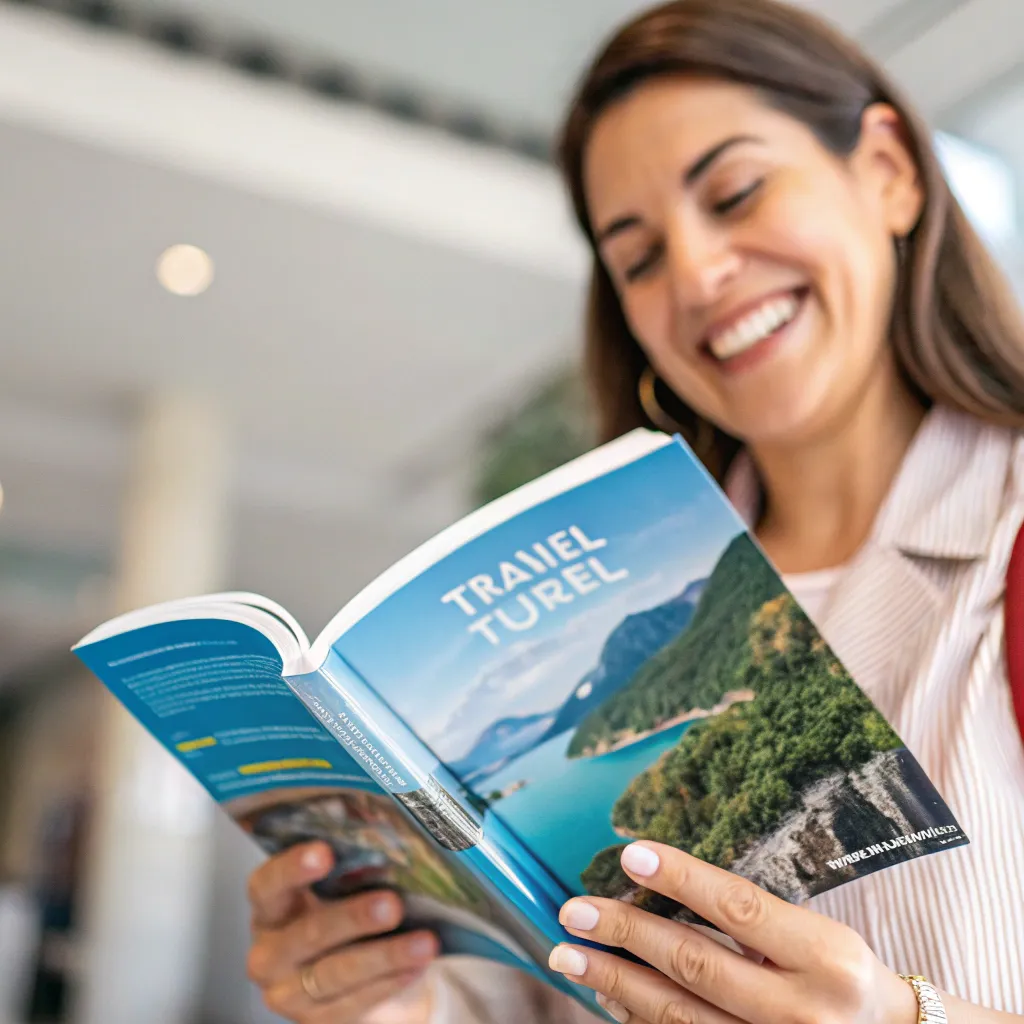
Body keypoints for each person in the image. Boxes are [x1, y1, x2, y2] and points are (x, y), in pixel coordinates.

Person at [243, 1, 1024, 1021]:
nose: (697, 275)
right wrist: (379, 995)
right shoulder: (681, 575)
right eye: (638, 258)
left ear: (887, 169)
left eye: (735, 192)